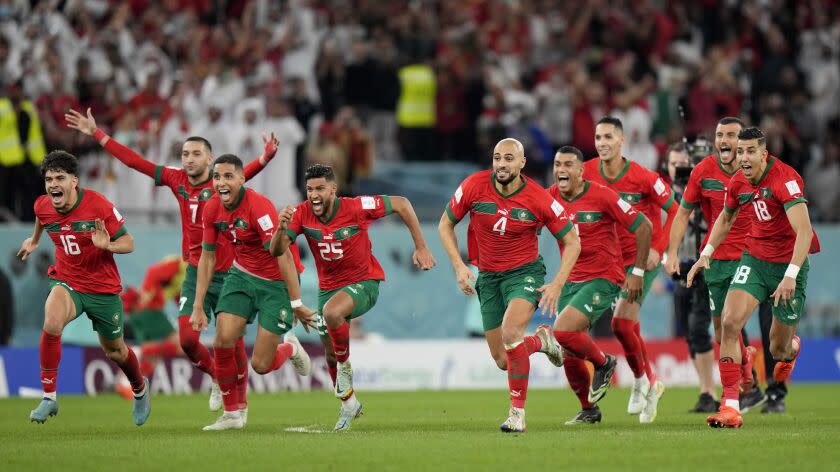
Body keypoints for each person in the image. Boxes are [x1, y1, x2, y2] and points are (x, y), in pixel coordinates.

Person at [64, 108, 276, 412]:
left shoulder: (220, 185)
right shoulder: (176, 180)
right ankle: (218, 378)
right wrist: (98, 134)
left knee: (232, 341)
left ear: (209, 159)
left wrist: (265, 159)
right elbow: (135, 162)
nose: (188, 158)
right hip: (195, 269)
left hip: (230, 273)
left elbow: (243, 176)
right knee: (188, 341)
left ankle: (237, 404)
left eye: (196, 154)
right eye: (185, 153)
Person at [271, 164, 437, 431]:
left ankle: (346, 367)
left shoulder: (357, 207)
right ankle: (349, 405)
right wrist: (280, 229)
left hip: (364, 283)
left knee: (332, 315)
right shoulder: (301, 213)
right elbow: (277, 250)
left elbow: (402, 203)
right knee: (329, 355)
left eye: (320, 189)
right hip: (329, 289)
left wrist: (421, 246)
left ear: (333, 189)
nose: (314, 194)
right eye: (310, 189)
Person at [438, 138, 581, 433]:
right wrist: (459, 266)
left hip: (524, 274)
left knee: (511, 332)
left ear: (522, 163)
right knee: (503, 359)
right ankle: (540, 341)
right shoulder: (474, 186)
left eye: (508, 159)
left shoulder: (539, 198)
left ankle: (517, 414)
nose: (501, 164)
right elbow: (445, 224)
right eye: (497, 158)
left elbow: (572, 241)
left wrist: (556, 283)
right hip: (487, 277)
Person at [687, 127, 820, 428]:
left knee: (777, 349)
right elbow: (726, 217)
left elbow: (805, 231)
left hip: (789, 266)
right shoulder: (737, 182)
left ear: (764, 153)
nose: (743, 158)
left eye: (749, 152)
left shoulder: (784, 179)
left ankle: (792, 349)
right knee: (730, 323)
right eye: (740, 152)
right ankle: (731, 406)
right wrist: (707, 251)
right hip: (755, 261)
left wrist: (790, 275)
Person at [19, 150, 150, 425]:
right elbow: (42, 218)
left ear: (74, 181)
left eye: (60, 178)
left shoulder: (98, 205)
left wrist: (108, 246)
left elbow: (130, 243)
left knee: (116, 351)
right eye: (49, 179)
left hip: (102, 289)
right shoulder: (42, 205)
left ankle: (139, 388)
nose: (53, 184)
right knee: (52, 320)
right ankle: (49, 397)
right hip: (68, 281)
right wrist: (33, 240)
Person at [193, 154, 315, 431]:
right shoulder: (211, 209)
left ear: (242, 179)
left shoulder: (259, 207)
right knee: (223, 339)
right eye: (216, 177)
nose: (221, 183)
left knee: (261, 364)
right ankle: (232, 414)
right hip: (242, 276)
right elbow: (208, 257)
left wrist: (296, 303)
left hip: (276, 283)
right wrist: (198, 304)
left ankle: (290, 348)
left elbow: (282, 256)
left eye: (228, 177)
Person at [665, 118, 767, 414]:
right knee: (722, 332)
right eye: (720, 135)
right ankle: (746, 369)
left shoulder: (760, 172)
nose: (725, 140)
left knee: (733, 324)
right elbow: (683, 214)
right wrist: (672, 252)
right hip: (715, 260)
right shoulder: (703, 171)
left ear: (744, 142)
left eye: (731, 135)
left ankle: (732, 399)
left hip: (752, 257)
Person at [582, 116, 678, 423]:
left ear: (622, 141)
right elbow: (555, 194)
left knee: (621, 323)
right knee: (627, 325)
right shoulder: (585, 172)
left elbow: (677, 210)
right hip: (606, 261)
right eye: (598, 138)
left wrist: (659, 250)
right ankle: (649, 383)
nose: (603, 143)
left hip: (640, 261)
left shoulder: (643, 177)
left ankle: (640, 383)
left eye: (609, 137)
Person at [548, 146, 653, 425]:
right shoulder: (549, 198)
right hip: (571, 279)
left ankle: (604, 363)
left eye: (568, 165)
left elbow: (643, 226)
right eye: (557, 164)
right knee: (569, 349)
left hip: (603, 277)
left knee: (562, 330)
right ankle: (589, 410)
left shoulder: (603, 195)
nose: (561, 170)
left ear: (581, 171)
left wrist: (638, 272)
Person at [115, 256, 186, 400]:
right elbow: (153, 271)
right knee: (179, 345)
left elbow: (176, 294)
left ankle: (129, 386)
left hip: (143, 311)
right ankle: (138, 351)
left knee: (154, 357)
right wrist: (147, 291)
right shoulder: (180, 264)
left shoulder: (186, 274)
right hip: (150, 309)